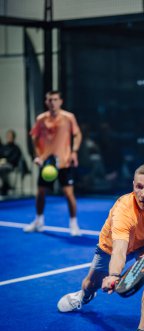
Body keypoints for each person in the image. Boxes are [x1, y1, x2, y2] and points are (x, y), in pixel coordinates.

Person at [57, 163, 144, 331]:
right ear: (133, 186)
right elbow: (119, 250)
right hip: (110, 248)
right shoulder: (124, 210)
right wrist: (113, 276)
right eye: (139, 187)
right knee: (90, 283)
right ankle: (83, 295)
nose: (143, 194)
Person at [24, 90, 82, 236]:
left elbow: (77, 134)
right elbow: (34, 138)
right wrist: (39, 156)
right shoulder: (41, 119)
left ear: (60, 101)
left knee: (69, 194)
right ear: (46, 102)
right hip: (47, 164)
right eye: (50, 100)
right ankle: (38, 221)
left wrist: (74, 152)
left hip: (65, 162)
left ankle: (74, 224)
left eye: (55, 99)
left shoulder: (69, 117)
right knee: (41, 193)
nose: (52, 102)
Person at [0, 130, 22, 195]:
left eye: (11, 136)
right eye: (8, 136)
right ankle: (6, 185)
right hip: (2, 164)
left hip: (11, 165)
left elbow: (15, 158)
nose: (9, 137)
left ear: (13, 137)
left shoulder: (16, 148)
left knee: (2, 168)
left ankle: (6, 185)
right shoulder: (4, 147)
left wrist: (5, 161)